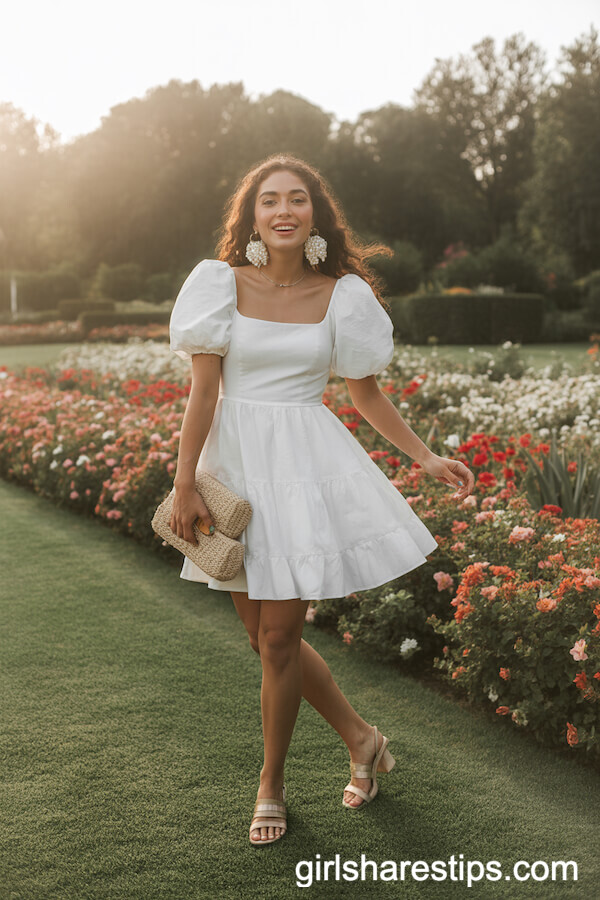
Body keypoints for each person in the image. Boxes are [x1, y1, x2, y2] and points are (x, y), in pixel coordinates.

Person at [168, 154, 474, 847]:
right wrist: (185, 481)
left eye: (296, 199)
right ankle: (362, 738)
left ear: (314, 214)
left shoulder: (343, 295)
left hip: (304, 470)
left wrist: (423, 456)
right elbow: (204, 392)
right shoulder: (218, 284)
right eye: (270, 199)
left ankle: (270, 785)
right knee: (260, 639)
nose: (283, 210)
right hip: (235, 467)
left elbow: (364, 391)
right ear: (252, 216)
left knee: (280, 637)